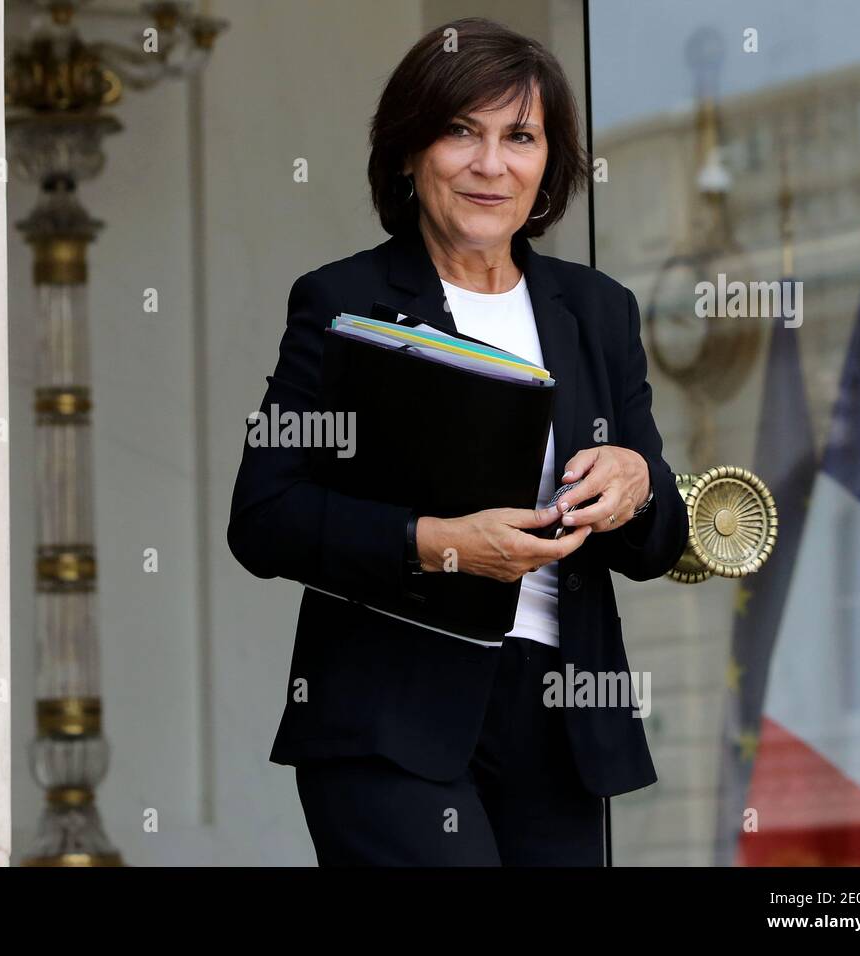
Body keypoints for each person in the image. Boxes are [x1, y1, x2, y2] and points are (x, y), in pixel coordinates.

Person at [227, 17, 689, 866]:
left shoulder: (598, 311)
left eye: (520, 136)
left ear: (549, 162)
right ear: (409, 153)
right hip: (388, 718)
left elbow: (656, 544)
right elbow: (263, 516)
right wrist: (437, 546)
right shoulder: (342, 301)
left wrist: (640, 481)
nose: (490, 164)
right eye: (459, 132)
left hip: (561, 720)